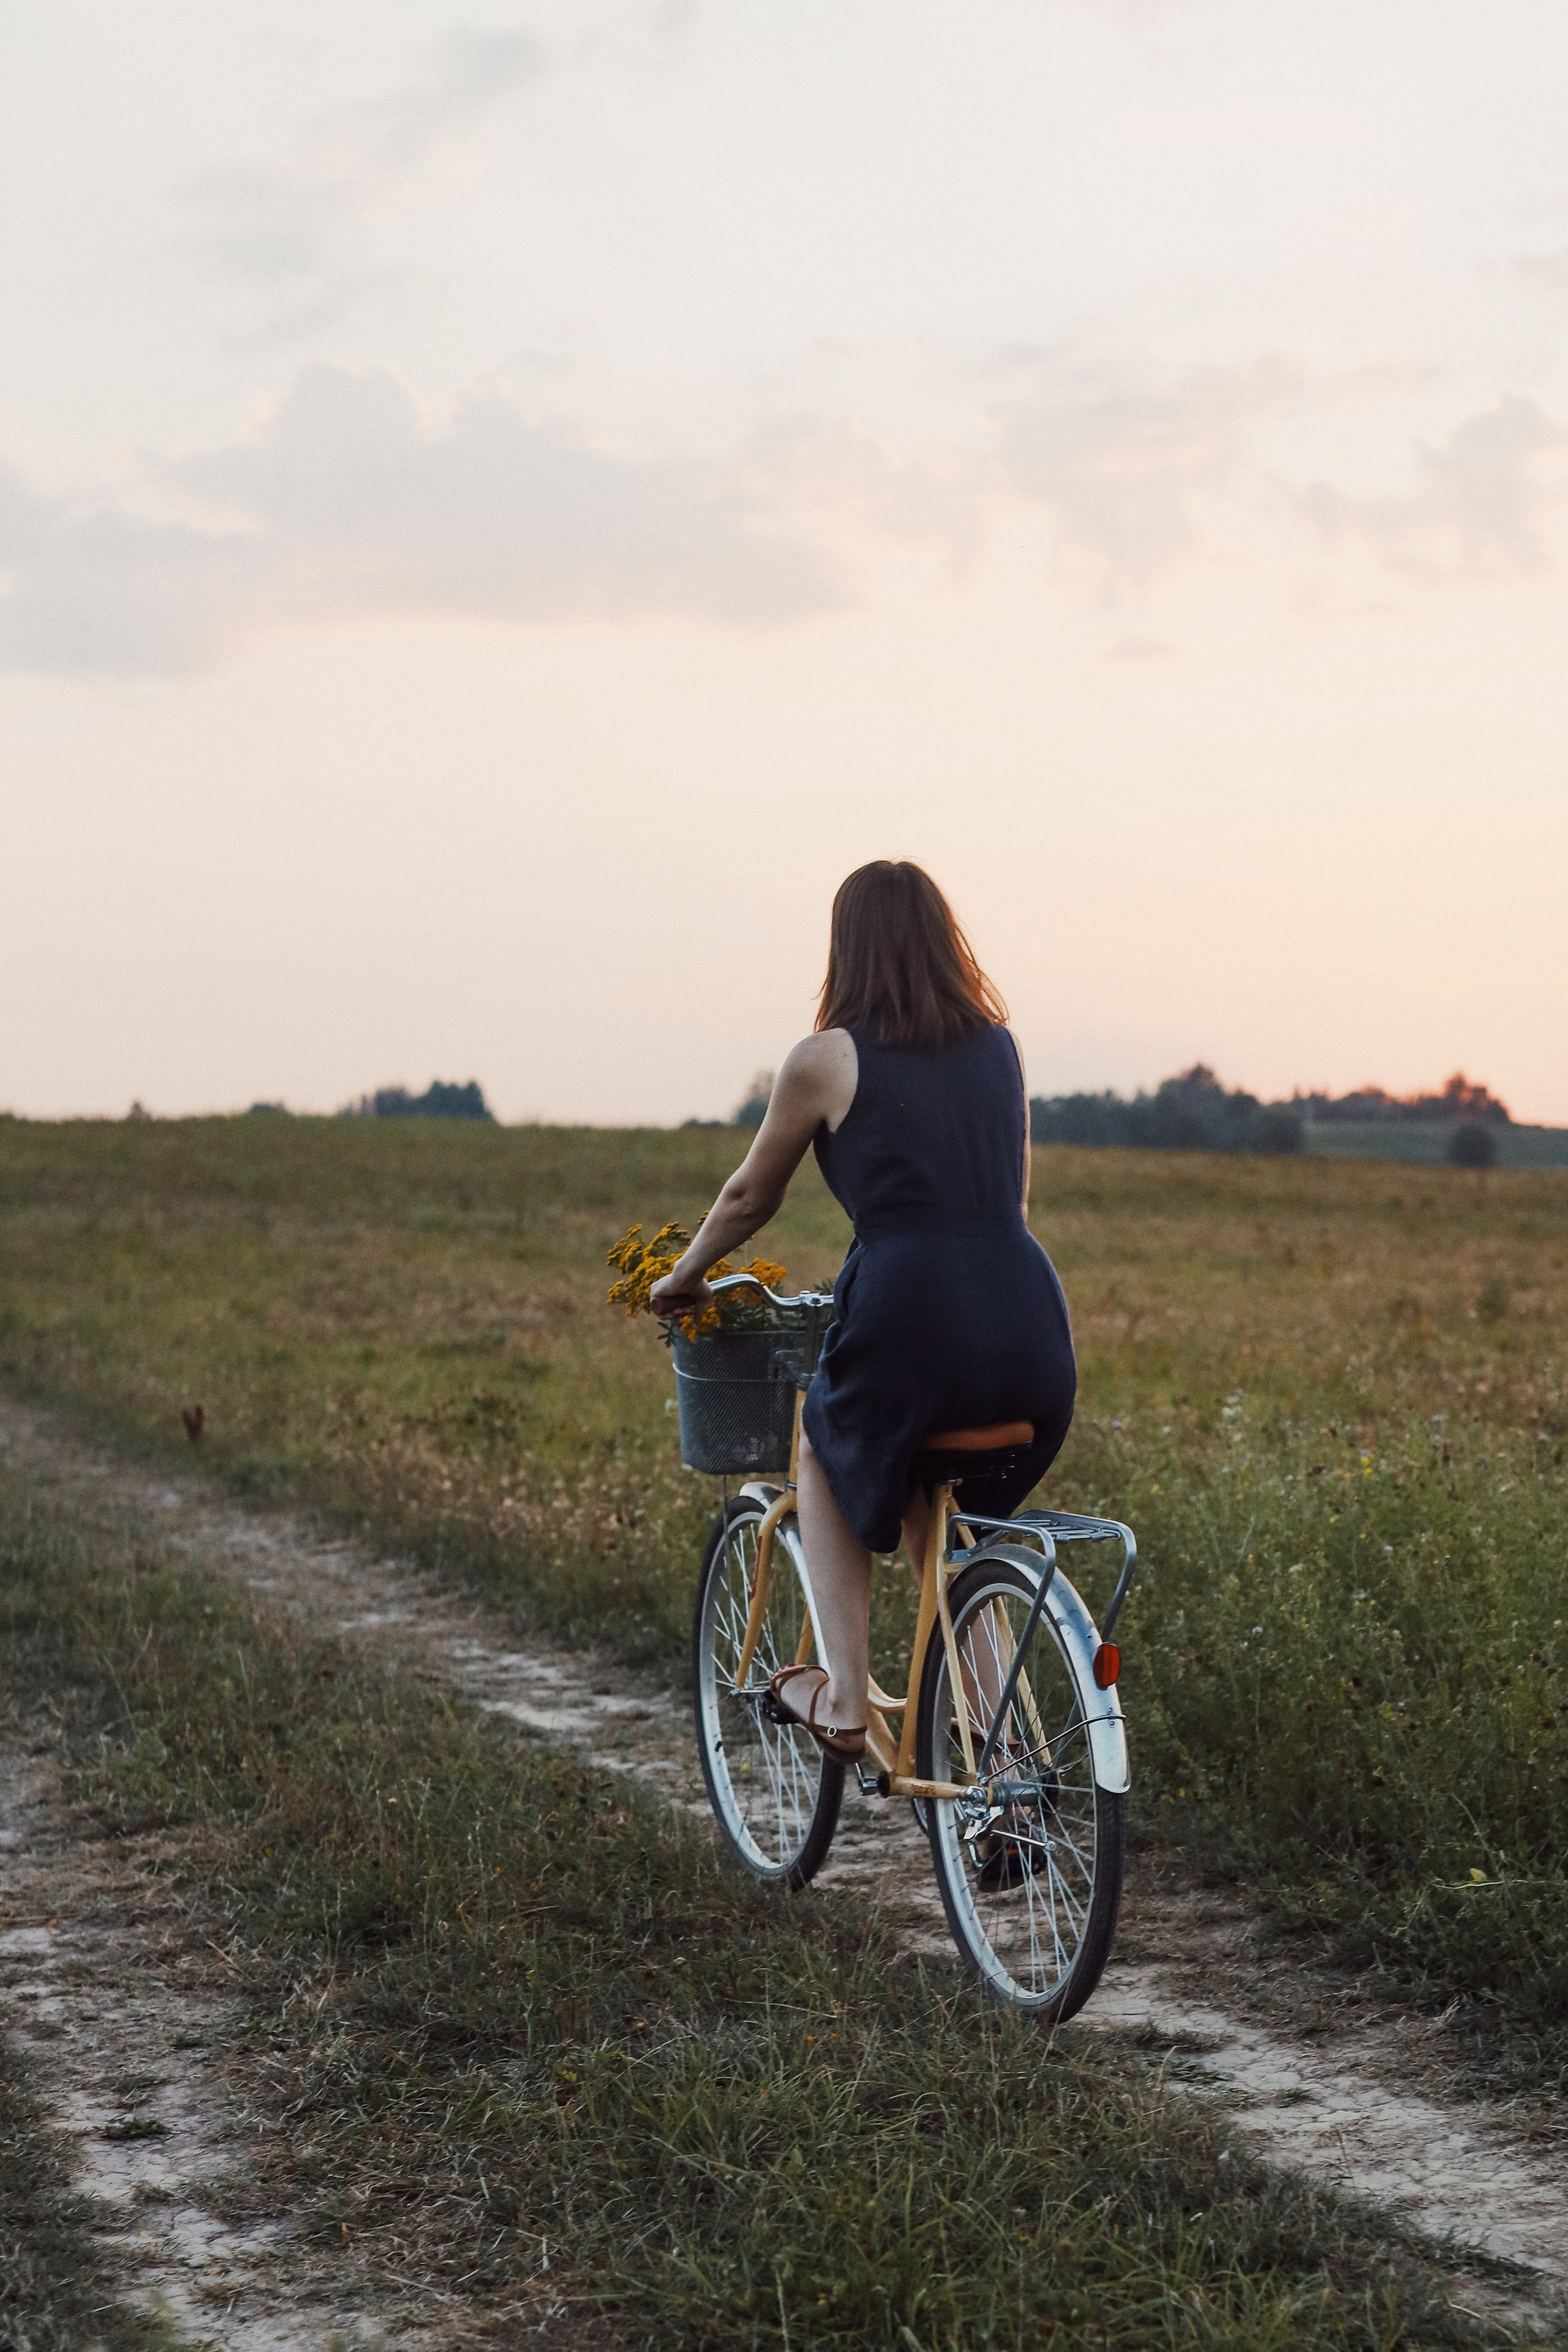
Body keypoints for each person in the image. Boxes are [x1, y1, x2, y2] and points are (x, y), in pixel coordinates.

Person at [650, 860, 1076, 1762]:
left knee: (822, 1443)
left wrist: (684, 1275)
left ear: (847, 945)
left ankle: (843, 1701)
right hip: (1029, 1323)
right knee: (946, 1532)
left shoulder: (825, 1058)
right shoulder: (1000, 1046)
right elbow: (1014, 1199)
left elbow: (749, 1197)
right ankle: (1003, 1759)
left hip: (911, 1309)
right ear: (944, 939)